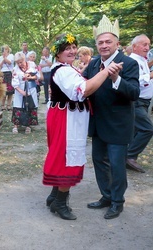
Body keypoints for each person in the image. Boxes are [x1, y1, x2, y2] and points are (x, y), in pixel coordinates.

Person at [42, 33, 123, 220]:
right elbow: (83, 90)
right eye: (66, 49)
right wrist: (106, 71)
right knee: (68, 157)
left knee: (63, 155)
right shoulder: (63, 70)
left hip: (65, 116)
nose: (71, 51)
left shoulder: (66, 68)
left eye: (73, 47)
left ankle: (54, 196)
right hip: (66, 119)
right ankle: (60, 202)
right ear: (57, 53)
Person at [83, 15, 140, 219]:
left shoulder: (129, 63)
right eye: (100, 42)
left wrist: (116, 78)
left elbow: (134, 93)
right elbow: (85, 86)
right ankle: (106, 196)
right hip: (98, 124)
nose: (104, 45)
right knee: (99, 161)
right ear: (96, 44)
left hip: (118, 125)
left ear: (117, 43)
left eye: (108, 42)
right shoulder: (93, 63)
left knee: (117, 165)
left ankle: (117, 201)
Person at [125, 34, 153, 173]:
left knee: (136, 130)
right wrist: (151, 75)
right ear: (134, 46)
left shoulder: (141, 59)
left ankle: (126, 156)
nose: (147, 48)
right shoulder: (132, 61)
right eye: (144, 44)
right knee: (147, 129)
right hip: (137, 101)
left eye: (148, 45)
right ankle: (129, 156)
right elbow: (136, 80)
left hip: (144, 102)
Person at [11, 52, 39, 134]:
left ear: (24, 59)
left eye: (21, 62)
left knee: (30, 106)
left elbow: (38, 76)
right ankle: (16, 126)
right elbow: (14, 84)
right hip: (20, 90)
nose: (20, 64)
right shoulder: (15, 69)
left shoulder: (32, 65)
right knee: (18, 106)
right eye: (18, 63)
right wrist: (22, 92)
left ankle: (28, 125)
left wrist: (31, 77)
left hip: (31, 89)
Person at [0, 45, 14, 111]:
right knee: (3, 90)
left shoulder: (11, 56)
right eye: (3, 50)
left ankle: (9, 105)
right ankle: (2, 105)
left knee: (10, 91)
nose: (4, 51)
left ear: (7, 50)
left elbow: (10, 63)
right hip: (2, 74)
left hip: (9, 73)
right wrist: (3, 59)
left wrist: (5, 58)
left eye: (5, 49)